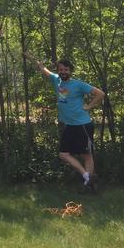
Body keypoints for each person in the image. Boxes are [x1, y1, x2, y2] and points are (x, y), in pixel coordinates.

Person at [26, 53, 105, 191]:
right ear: (58, 71)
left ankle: (89, 186)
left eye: (66, 70)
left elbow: (100, 93)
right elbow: (43, 69)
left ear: (70, 71)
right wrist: (32, 58)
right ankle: (87, 176)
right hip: (69, 126)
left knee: (86, 155)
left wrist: (89, 106)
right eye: (61, 70)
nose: (63, 72)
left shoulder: (78, 84)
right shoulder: (56, 80)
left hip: (83, 125)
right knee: (63, 154)